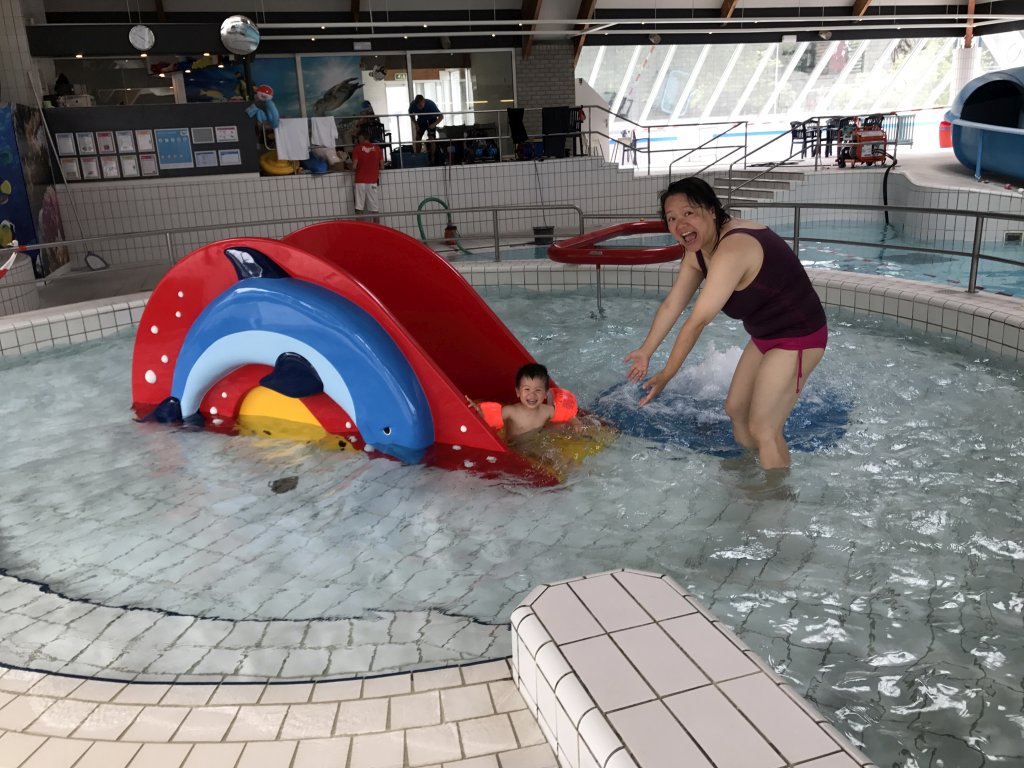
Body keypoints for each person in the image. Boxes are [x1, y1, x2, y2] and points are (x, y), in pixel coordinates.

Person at [624, 176, 827, 470]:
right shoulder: (698, 252)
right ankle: (754, 471)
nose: (680, 224)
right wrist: (646, 350)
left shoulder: (734, 248)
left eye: (688, 213)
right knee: (736, 409)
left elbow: (698, 321)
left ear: (711, 209)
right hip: (765, 337)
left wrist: (668, 373)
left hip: (799, 336)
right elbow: (673, 305)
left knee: (763, 426)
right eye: (672, 218)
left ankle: (776, 502)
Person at [351, 129, 384, 224]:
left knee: (359, 209)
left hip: (360, 182)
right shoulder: (377, 149)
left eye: (358, 138)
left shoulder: (357, 149)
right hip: (372, 182)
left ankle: (360, 231)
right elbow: (382, 166)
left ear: (361, 137)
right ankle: (377, 231)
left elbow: (354, 166)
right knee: (375, 210)